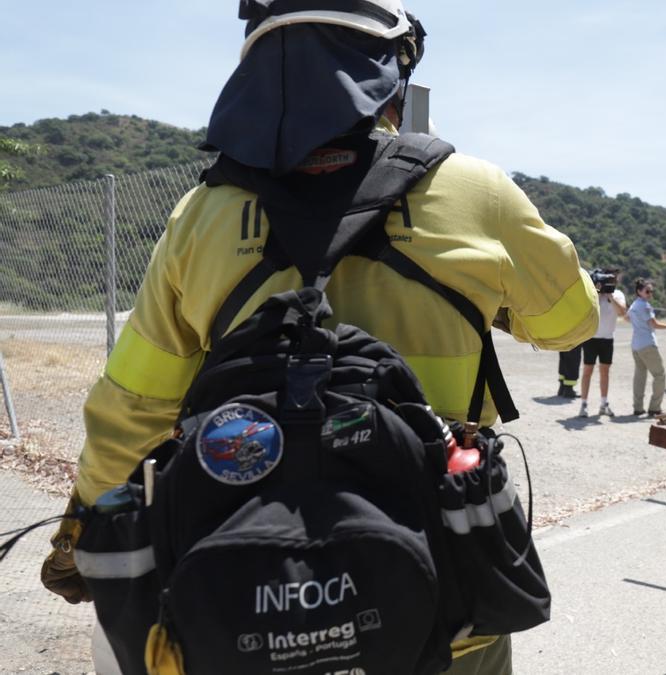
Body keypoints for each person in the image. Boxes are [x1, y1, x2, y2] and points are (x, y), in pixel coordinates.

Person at [39, 2, 599, 673]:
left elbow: (132, 406)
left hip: (255, 607)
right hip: (445, 606)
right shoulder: (474, 191)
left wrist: (82, 532)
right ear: (392, 73)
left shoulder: (201, 215)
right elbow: (574, 321)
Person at [578, 271, 627, 417]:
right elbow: (587, 310)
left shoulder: (617, 294)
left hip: (607, 339)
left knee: (605, 372)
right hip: (591, 338)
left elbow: (622, 312)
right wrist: (597, 293)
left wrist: (610, 297)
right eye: (608, 280)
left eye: (613, 280)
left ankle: (604, 404)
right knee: (587, 371)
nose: (611, 282)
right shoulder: (594, 293)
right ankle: (583, 404)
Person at [627, 278, 666, 416]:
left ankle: (638, 407)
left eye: (651, 291)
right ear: (639, 292)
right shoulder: (645, 305)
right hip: (647, 344)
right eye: (647, 291)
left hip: (636, 345)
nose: (650, 294)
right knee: (659, 375)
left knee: (640, 376)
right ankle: (654, 407)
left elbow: (628, 319)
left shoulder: (633, 305)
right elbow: (654, 324)